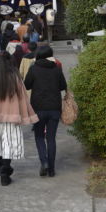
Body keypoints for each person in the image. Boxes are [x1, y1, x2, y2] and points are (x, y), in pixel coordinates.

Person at [0, 52, 38, 186]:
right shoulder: (15, 77)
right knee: (9, 144)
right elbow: (23, 98)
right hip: (13, 117)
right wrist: (26, 116)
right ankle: (5, 172)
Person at [24, 45, 67, 177]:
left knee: (39, 136)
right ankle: (52, 170)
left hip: (38, 108)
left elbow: (26, 85)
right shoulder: (56, 69)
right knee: (51, 138)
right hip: (54, 108)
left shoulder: (33, 68)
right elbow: (63, 86)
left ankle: (44, 162)